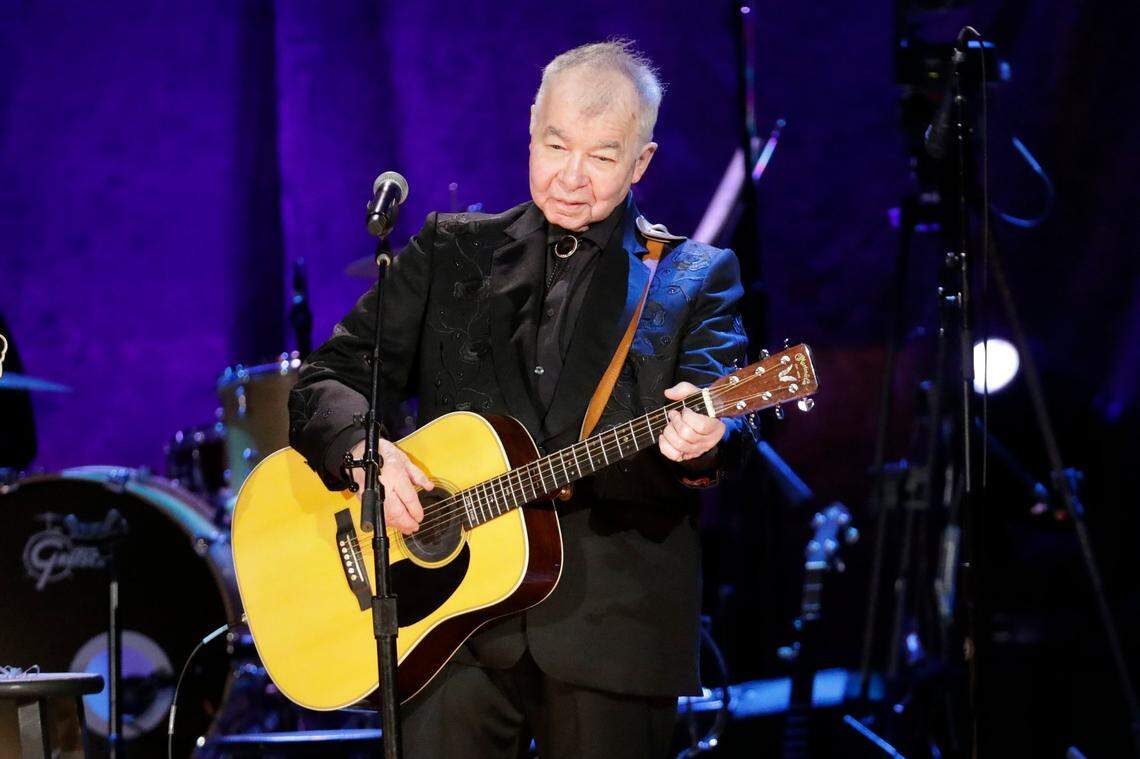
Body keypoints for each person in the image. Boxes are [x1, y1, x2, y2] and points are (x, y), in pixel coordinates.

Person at [288, 40, 748, 758]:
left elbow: (722, 418)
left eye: (601, 156)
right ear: (530, 132)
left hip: (610, 632)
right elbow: (330, 377)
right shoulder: (450, 251)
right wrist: (363, 450)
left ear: (642, 162)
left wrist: (707, 440)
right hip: (447, 630)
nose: (570, 176)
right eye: (554, 144)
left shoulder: (694, 277)